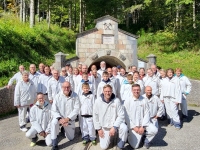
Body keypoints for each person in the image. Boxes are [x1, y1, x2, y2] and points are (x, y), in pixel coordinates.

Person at [93, 84, 128, 150]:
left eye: (109, 91)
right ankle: (108, 137)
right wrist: (99, 129)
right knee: (104, 147)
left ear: (112, 91)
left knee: (124, 128)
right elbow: (95, 116)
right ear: (103, 92)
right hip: (104, 127)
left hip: (115, 125)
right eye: (106, 91)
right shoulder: (98, 101)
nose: (107, 93)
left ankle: (120, 144)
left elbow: (121, 115)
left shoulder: (116, 101)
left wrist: (114, 127)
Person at [124, 84, 158, 149]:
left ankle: (146, 140)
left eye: (138, 90)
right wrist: (134, 127)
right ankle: (128, 137)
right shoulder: (128, 101)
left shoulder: (144, 100)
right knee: (135, 146)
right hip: (133, 126)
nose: (136, 91)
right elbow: (126, 116)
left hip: (143, 124)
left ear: (140, 90)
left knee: (154, 130)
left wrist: (143, 126)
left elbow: (147, 113)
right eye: (134, 90)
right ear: (132, 90)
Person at [51, 81, 80, 150]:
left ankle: (63, 130)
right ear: (62, 87)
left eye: (68, 87)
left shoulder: (75, 96)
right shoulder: (57, 96)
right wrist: (60, 119)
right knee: (54, 122)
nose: (66, 89)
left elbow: (76, 109)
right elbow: (53, 110)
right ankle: (54, 144)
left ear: (70, 87)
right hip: (59, 118)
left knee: (71, 138)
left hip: (69, 120)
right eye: (64, 87)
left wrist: (67, 119)